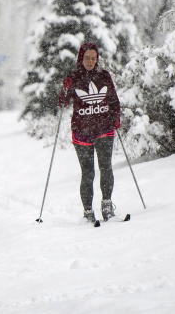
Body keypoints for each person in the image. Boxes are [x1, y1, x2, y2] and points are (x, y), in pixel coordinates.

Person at [58, 42, 121, 222]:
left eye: (93, 58)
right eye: (87, 58)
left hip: (104, 127)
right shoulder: (73, 77)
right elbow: (62, 102)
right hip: (81, 131)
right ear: (81, 58)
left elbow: (113, 100)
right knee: (88, 173)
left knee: (106, 166)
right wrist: (65, 87)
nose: (90, 61)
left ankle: (107, 204)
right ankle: (87, 212)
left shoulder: (104, 76)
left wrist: (116, 117)